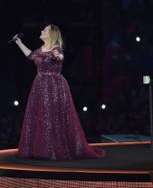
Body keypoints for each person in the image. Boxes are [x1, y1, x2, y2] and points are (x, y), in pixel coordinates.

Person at [14, 24, 106, 160]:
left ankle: (53, 150)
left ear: (51, 34)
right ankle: (42, 149)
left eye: (44, 30)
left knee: (52, 117)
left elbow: (60, 56)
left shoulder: (56, 48)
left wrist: (58, 56)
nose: (41, 31)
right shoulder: (41, 49)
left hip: (54, 87)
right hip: (40, 86)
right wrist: (19, 42)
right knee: (41, 116)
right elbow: (31, 55)